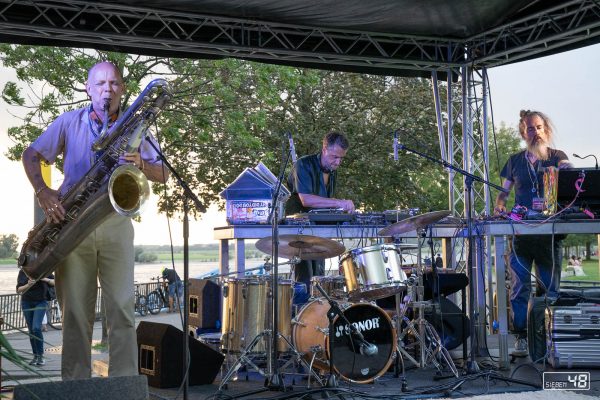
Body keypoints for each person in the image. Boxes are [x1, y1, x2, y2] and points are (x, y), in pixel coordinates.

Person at [21, 61, 169, 380]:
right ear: (88, 88)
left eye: (114, 83)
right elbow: (30, 154)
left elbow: (164, 174)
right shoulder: (67, 122)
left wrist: (142, 163)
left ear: (123, 89)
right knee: (75, 313)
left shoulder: (138, 126)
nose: (107, 90)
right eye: (100, 84)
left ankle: (125, 385)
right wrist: (44, 192)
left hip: (116, 220)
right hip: (71, 227)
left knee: (122, 309)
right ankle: (76, 385)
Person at [494, 109, 571, 357]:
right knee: (519, 290)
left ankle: (549, 339)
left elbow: (572, 176)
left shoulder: (557, 156)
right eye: (530, 128)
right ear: (523, 132)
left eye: (538, 127)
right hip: (521, 236)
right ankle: (522, 339)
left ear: (545, 130)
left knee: (550, 289)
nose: (535, 132)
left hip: (549, 237)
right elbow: (503, 193)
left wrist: (568, 169)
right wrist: (500, 206)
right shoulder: (514, 161)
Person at [285, 131, 355, 291]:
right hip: (299, 229)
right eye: (334, 157)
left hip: (318, 229)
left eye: (341, 158)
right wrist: (339, 203)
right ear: (324, 149)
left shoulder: (332, 171)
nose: (338, 162)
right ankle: (301, 312)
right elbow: (306, 200)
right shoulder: (302, 165)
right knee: (304, 277)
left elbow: (325, 204)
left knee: (319, 276)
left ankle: (318, 312)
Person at [16, 270, 55, 366]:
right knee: (31, 331)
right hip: (26, 302)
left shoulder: (45, 270)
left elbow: (55, 282)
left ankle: (41, 356)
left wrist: (44, 279)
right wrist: (28, 285)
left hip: (41, 302)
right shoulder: (24, 271)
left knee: (36, 328)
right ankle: (35, 356)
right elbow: (18, 289)